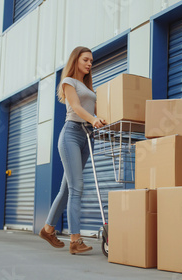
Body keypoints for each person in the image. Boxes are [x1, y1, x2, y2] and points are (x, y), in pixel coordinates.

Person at [39, 46, 106, 254]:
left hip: (87, 137)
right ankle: (75, 240)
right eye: (86, 59)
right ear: (75, 60)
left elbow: (93, 110)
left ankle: (48, 228)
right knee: (77, 187)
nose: (89, 64)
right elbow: (76, 108)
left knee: (67, 189)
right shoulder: (68, 82)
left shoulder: (88, 87)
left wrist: (99, 120)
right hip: (71, 135)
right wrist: (93, 118)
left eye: (91, 61)